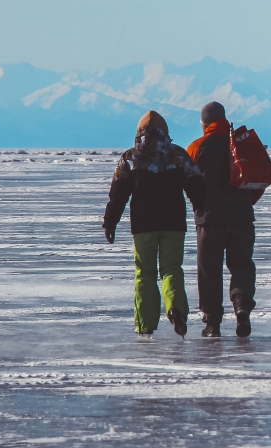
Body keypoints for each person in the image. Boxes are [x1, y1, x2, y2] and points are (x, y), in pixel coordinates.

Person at [103, 111, 206, 338]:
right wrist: (203, 210)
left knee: (144, 273)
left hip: (143, 225)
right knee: (171, 269)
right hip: (174, 223)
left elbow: (118, 195)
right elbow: (197, 185)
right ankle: (175, 310)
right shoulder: (177, 155)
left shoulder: (130, 158)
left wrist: (110, 222)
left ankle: (145, 325)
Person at [187, 101, 260, 338]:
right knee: (241, 264)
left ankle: (212, 324)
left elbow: (187, 183)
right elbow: (257, 180)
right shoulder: (239, 146)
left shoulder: (197, 147)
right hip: (241, 217)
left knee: (209, 270)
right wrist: (247, 202)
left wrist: (199, 207)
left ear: (204, 123)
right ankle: (241, 307)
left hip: (209, 220)